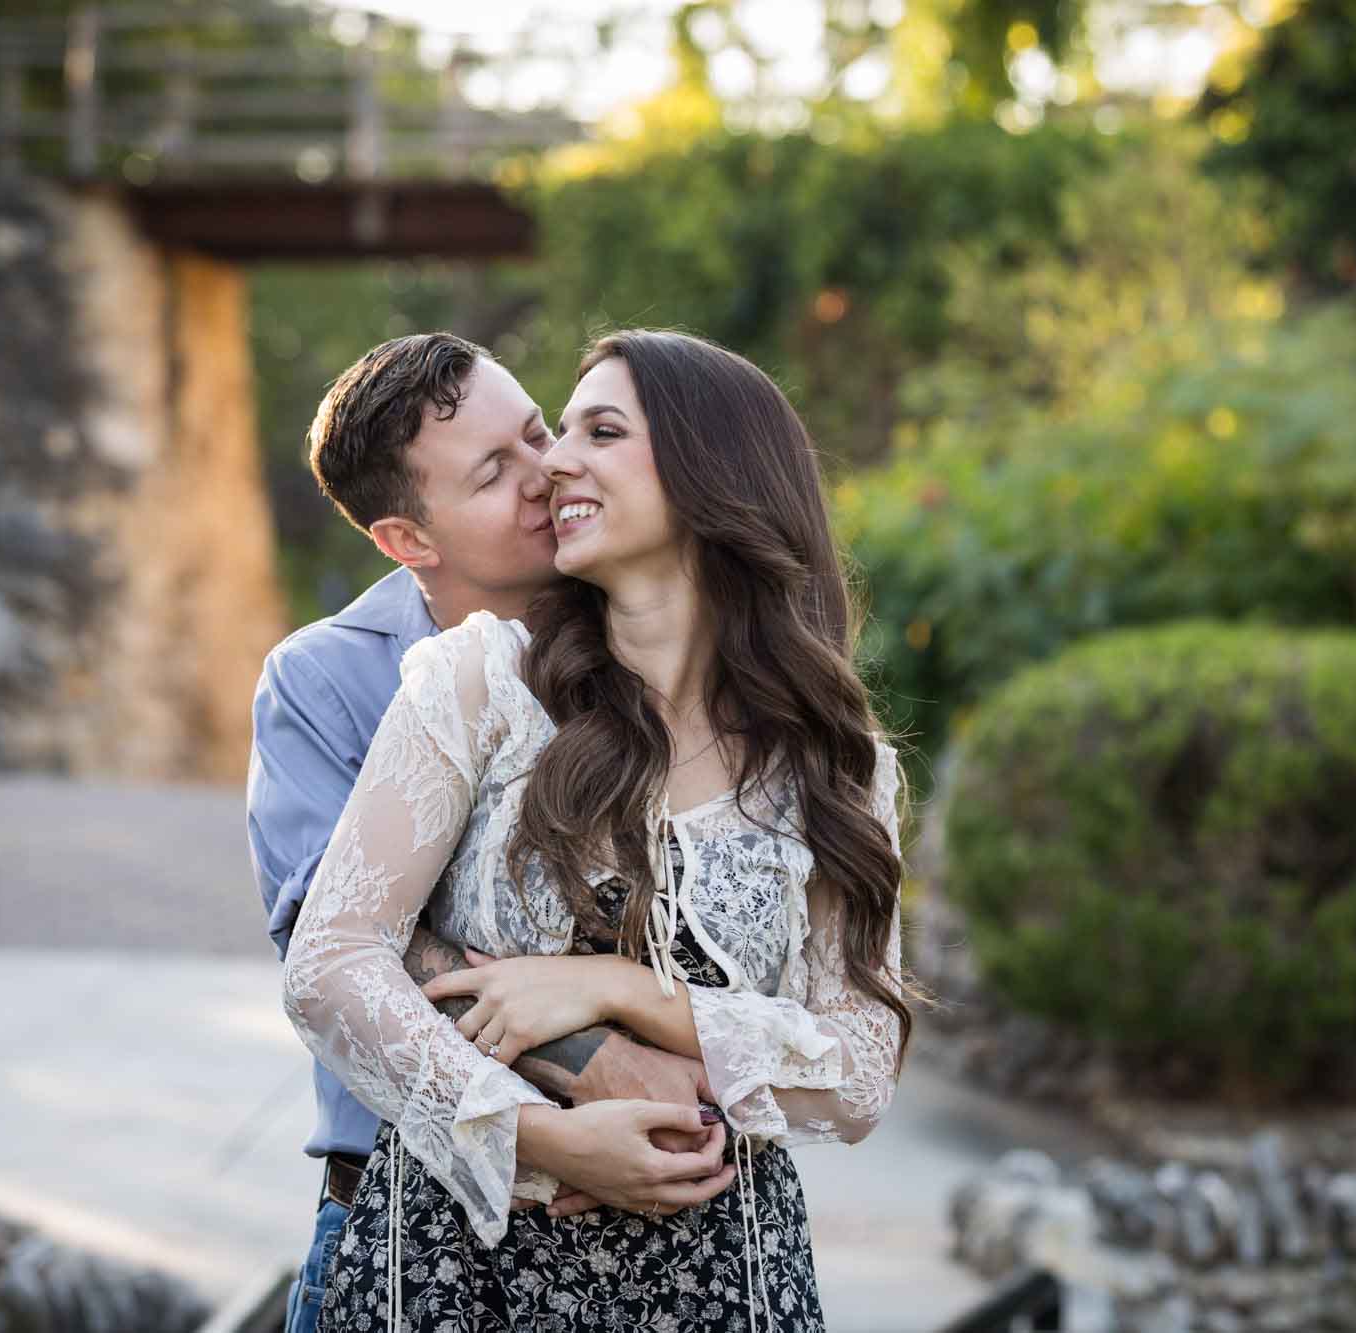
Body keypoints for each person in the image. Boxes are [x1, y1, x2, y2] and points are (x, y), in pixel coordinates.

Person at [282, 329, 919, 1331]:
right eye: (548, 436)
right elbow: (331, 959)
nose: (555, 464)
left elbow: (857, 1074)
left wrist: (626, 991)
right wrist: (534, 1135)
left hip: (725, 1280)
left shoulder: (836, 764)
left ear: (715, 470)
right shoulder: (478, 683)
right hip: (461, 1273)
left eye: (595, 430)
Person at [247, 333, 719, 1333]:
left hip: (656, 1232)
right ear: (406, 540)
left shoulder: (648, 630)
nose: (547, 473)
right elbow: (338, 938)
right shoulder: (323, 680)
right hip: (400, 1211)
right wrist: (581, 1079)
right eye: (494, 473)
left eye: (537, 432)